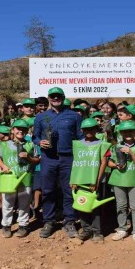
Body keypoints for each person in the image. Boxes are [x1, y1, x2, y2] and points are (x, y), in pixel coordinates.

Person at [32, 86, 83, 239]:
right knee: (48, 190)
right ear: (49, 98)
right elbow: (34, 137)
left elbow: (80, 137)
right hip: (48, 158)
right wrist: (40, 142)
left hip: (68, 157)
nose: (55, 99)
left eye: (58, 96)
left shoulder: (74, 116)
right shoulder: (41, 117)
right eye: (53, 96)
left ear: (63, 97)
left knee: (69, 190)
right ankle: (49, 221)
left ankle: (69, 221)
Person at [107, 120, 135, 244]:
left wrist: (131, 153)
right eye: (125, 131)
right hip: (118, 180)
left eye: (130, 131)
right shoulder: (116, 146)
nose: (127, 133)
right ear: (120, 133)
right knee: (121, 205)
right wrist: (115, 165)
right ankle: (122, 229)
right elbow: (109, 162)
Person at [69, 118, 110, 242]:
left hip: (96, 181)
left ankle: (97, 232)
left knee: (95, 207)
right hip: (80, 180)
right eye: (86, 129)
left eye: (92, 128)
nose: (89, 131)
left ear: (96, 129)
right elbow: (76, 162)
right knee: (82, 204)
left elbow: (104, 162)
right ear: (82, 130)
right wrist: (73, 180)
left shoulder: (102, 144)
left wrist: (97, 181)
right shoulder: (77, 144)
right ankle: (86, 229)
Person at [0, 120, 39, 238]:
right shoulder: (4, 144)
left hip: (25, 178)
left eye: (23, 129)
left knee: (24, 204)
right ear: (13, 130)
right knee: (7, 203)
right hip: (9, 179)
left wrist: (29, 157)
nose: (20, 131)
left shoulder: (30, 145)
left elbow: (37, 160)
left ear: (26, 131)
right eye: (18, 129)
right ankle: (6, 225)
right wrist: (3, 166)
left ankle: (23, 225)